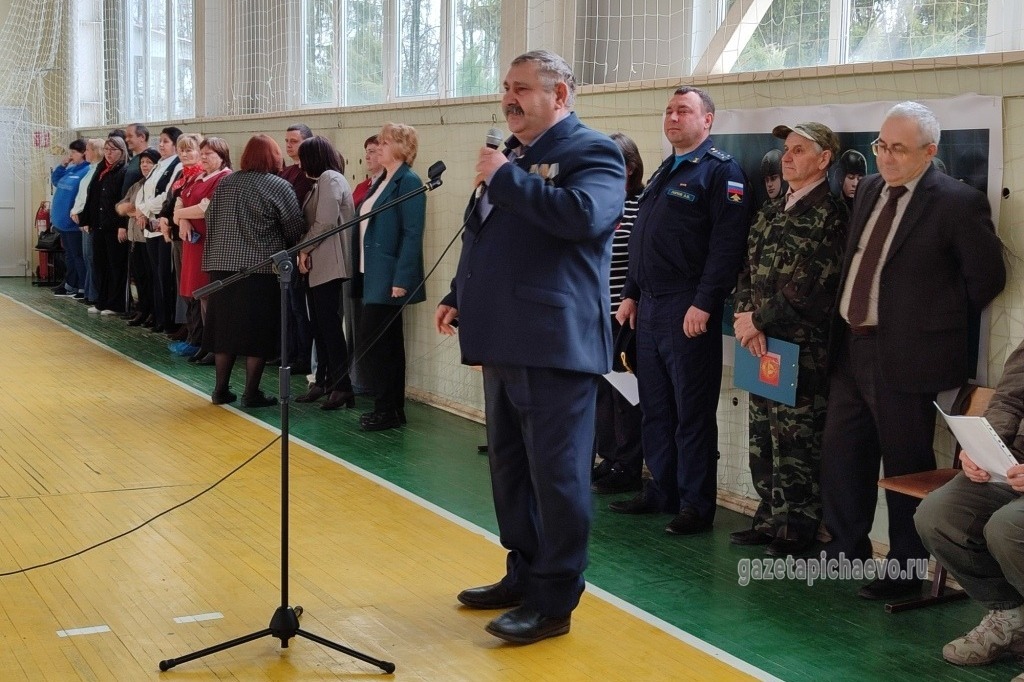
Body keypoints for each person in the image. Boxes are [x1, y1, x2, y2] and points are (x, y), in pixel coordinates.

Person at [436, 49, 625, 645]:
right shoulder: (514, 156)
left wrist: (505, 178)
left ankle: (554, 600)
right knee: (511, 469)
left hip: (554, 342)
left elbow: (583, 217)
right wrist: (457, 293)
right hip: (503, 336)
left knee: (558, 477)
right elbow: (487, 234)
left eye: (521, 88)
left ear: (560, 94)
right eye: (505, 88)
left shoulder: (593, 152)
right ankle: (522, 572)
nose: (508, 99)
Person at [819, 101, 1006, 600]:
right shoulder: (870, 189)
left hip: (907, 357)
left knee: (905, 465)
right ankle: (846, 549)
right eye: (881, 145)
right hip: (851, 346)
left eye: (898, 149)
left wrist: (926, 321)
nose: (886, 156)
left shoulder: (957, 203)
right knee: (842, 453)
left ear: (929, 151)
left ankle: (905, 571)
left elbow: (987, 279)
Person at [610, 86, 754, 535]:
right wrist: (631, 292)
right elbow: (644, 240)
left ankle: (695, 505)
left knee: (691, 413)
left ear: (707, 120)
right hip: (650, 306)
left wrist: (704, 302)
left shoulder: (721, 172)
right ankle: (662, 489)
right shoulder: (666, 169)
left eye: (684, 111)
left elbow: (727, 246)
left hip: (687, 306)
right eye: (669, 110)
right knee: (655, 407)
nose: (673, 117)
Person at [731, 122, 847, 557]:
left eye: (799, 150)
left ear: (824, 159)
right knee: (762, 434)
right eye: (786, 149)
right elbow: (746, 269)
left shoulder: (831, 216)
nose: (788, 157)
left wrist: (757, 321)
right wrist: (746, 320)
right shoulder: (770, 211)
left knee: (796, 440)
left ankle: (795, 529)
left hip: (802, 349)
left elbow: (811, 287)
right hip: (759, 343)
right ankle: (768, 519)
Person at [915, 339, 1024, 672]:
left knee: (1008, 527)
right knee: (938, 514)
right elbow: (1009, 399)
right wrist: (984, 448)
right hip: (1017, 461)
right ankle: (1012, 617)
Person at [202, 134, 305, 407]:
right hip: (260, 270)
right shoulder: (278, 186)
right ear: (272, 157)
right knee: (258, 333)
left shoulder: (226, 183)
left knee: (225, 332)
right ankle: (251, 393)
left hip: (221, 267)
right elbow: (294, 227)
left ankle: (220, 390)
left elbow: (210, 217)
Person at [354, 122, 426, 432]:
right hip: (371, 271)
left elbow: (412, 233)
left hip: (389, 275)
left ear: (400, 147)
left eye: (384, 143)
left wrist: (402, 279)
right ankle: (393, 408)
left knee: (376, 343)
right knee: (388, 343)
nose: (379, 148)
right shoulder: (383, 180)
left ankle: (385, 408)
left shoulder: (408, 181)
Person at [591, 131, 645, 495]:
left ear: (630, 168)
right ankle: (608, 457)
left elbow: (640, 260)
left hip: (625, 315)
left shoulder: (641, 204)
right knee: (601, 392)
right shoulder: (599, 200)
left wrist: (631, 297)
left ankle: (628, 466)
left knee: (625, 394)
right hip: (594, 313)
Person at [294, 136, 356, 410]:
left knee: (330, 328)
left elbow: (325, 222)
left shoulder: (331, 178)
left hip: (330, 263)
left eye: (302, 158)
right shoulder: (320, 182)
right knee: (319, 327)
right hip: (318, 265)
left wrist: (303, 250)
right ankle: (322, 381)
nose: (299, 164)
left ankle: (342, 386)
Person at [173, 137, 232, 363]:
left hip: (209, 244)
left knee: (210, 295)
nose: (204, 157)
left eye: (209, 154)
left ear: (222, 156)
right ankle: (206, 343)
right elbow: (181, 199)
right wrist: (183, 219)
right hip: (193, 244)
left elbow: (205, 208)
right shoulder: (198, 177)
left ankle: (216, 346)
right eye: (203, 153)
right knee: (200, 296)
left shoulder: (224, 178)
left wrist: (180, 215)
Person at [134, 126, 182, 333]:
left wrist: (145, 209)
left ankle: (168, 320)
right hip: (149, 227)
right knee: (155, 274)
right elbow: (144, 190)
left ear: (176, 145)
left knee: (165, 276)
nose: (161, 145)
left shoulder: (177, 166)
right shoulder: (159, 164)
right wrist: (139, 210)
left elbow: (166, 195)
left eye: (166, 141)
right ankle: (158, 316)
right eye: (160, 141)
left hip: (163, 228)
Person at [279, 123, 316, 374]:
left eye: (294, 141)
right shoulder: (288, 172)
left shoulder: (307, 175)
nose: (289, 145)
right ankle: (289, 352)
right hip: (286, 244)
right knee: (289, 305)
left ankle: (304, 356)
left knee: (299, 306)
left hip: (299, 244)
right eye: (287, 141)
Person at [81, 135, 129, 315]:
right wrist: (86, 219)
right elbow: (92, 195)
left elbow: (124, 199)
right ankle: (102, 301)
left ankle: (115, 304)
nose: (109, 153)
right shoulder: (101, 169)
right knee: (100, 264)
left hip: (114, 226)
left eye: (113, 150)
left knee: (115, 265)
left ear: (121, 151)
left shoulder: (123, 171)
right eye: (106, 149)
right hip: (99, 224)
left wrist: (122, 225)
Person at [50, 139, 92, 298]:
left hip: (73, 223)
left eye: (74, 152)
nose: (71, 155)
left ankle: (82, 286)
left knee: (78, 255)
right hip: (62, 222)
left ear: (83, 153)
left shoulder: (87, 171)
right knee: (69, 255)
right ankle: (70, 284)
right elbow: (56, 181)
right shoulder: (72, 169)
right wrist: (62, 165)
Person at [70, 138, 105, 304]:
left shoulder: (98, 171)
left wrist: (84, 216)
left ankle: (94, 294)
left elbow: (91, 198)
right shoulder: (90, 170)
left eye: (88, 150)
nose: (86, 153)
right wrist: (74, 211)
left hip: (89, 220)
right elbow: (82, 194)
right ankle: (89, 292)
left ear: (96, 151)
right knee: (87, 257)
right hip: (83, 218)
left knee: (92, 257)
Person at [352, 134, 383, 206]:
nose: (367, 157)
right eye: (366, 152)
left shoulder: (391, 184)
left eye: (371, 151)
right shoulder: (360, 187)